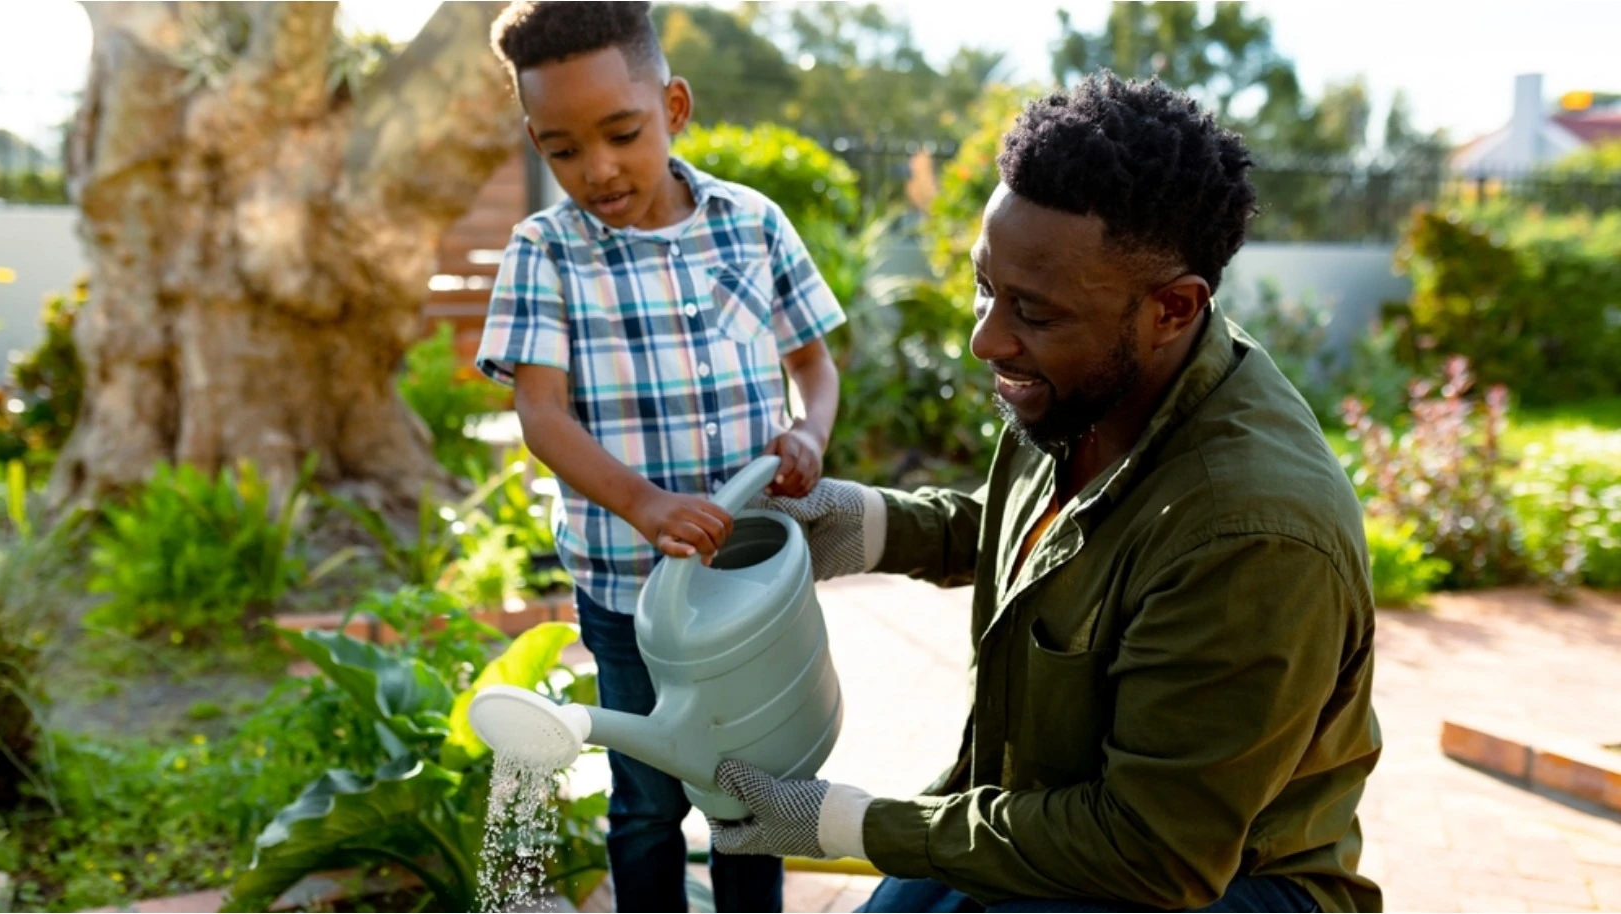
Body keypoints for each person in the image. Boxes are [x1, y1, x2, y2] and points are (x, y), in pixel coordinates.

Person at [709, 73, 1383, 913]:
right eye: (986, 285)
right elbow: (1068, 539)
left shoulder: (1253, 538)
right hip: (1057, 819)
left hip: (1219, 880)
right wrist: (867, 526)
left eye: (1031, 310)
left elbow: (1153, 851)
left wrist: (849, 823)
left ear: (1173, 308)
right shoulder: (1101, 379)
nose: (985, 337)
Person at [478, 3, 845, 911]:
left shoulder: (753, 224)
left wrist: (809, 433)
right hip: (627, 595)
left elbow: (815, 364)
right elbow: (541, 414)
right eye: (563, 150)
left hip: (744, 587)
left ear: (673, 107)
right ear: (536, 141)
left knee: (749, 792)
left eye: (621, 133)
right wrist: (643, 505)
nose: (597, 169)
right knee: (645, 802)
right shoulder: (544, 252)